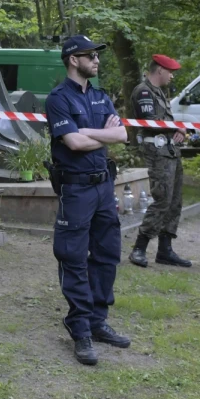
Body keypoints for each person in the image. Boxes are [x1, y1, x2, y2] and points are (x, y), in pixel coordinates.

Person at [44, 35, 131, 365]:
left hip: (103, 187)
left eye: (96, 55)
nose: (96, 60)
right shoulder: (58, 99)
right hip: (76, 189)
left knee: (108, 254)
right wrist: (98, 134)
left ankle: (98, 321)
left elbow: (121, 135)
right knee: (74, 257)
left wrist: (88, 132)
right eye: (89, 55)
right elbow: (73, 143)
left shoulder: (99, 97)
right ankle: (80, 328)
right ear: (72, 60)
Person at [128, 54, 191, 269]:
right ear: (160, 70)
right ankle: (139, 247)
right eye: (170, 71)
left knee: (174, 202)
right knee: (162, 199)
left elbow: (165, 122)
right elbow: (151, 122)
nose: (172, 76)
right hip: (157, 153)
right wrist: (175, 127)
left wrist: (176, 132)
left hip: (170, 151)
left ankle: (165, 249)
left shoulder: (161, 94)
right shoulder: (144, 91)